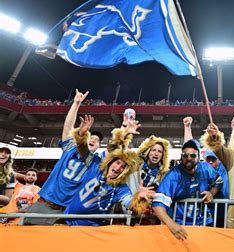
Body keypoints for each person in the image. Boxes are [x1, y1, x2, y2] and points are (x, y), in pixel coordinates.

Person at [25, 90, 103, 225]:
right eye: (91, 137)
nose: (94, 140)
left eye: (97, 141)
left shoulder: (95, 162)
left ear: (98, 147)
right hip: (43, 204)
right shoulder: (69, 148)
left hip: (66, 211)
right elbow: (68, 126)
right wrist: (76, 103)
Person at [64, 115, 150, 226]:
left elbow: (131, 205)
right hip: (67, 221)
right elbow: (83, 150)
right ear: (110, 162)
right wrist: (81, 134)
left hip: (93, 230)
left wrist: (139, 199)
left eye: (123, 167)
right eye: (117, 162)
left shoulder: (121, 188)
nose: (118, 168)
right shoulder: (96, 166)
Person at [151, 139, 222, 240]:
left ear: (198, 157)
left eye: (193, 155)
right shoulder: (173, 175)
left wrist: (212, 193)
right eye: (185, 155)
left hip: (205, 223)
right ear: (181, 157)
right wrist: (172, 225)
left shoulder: (206, 168)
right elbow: (158, 205)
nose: (189, 158)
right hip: (181, 225)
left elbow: (219, 181)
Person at [126, 135, 170, 215]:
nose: (156, 154)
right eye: (153, 150)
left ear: (163, 156)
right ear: (148, 151)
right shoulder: (135, 166)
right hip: (128, 209)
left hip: (148, 214)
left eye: (159, 152)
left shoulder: (163, 175)